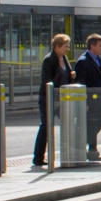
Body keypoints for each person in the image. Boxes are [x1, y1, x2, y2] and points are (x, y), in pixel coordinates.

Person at [33, 33, 75, 167]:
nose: (67, 49)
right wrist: (58, 90)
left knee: (68, 123)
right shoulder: (49, 60)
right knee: (46, 126)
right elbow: (47, 80)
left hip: (61, 98)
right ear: (57, 46)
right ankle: (38, 157)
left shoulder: (64, 58)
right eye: (65, 46)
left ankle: (70, 153)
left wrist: (72, 76)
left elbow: (67, 75)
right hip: (48, 98)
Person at [73, 33, 101, 161]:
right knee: (92, 123)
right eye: (100, 45)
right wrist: (85, 101)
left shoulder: (99, 59)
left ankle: (89, 146)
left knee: (100, 122)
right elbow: (80, 82)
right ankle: (91, 150)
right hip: (90, 99)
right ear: (92, 46)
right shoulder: (83, 61)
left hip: (99, 97)